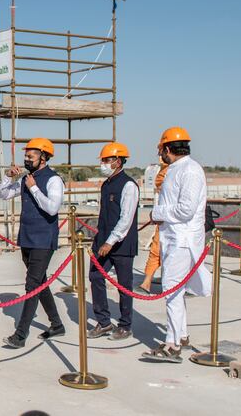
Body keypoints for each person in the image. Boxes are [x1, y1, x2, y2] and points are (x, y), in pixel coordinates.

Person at [142, 126, 211, 363]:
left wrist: (158, 212)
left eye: (162, 149)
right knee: (176, 291)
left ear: (168, 148)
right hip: (172, 238)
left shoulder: (190, 170)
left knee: (171, 289)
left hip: (182, 240)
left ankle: (171, 344)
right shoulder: (175, 169)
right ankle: (181, 334)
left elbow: (186, 209)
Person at [0, 138, 65, 348]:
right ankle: (56, 324)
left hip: (44, 239)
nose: (26, 159)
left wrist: (35, 189)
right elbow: (4, 194)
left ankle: (20, 334)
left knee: (32, 285)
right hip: (27, 237)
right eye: (26, 156)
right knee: (39, 282)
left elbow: (52, 209)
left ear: (43, 157)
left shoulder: (53, 180)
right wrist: (7, 178)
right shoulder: (27, 178)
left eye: (31, 156)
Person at [87, 142, 139, 341]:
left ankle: (125, 325)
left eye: (106, 160)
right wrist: (101, 240)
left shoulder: (128, 185)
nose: (103, 164)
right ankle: (104, 321)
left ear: (117, 161)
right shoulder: (106, 184)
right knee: (95, 277)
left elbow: (126, 219)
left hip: (121, 244)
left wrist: (111, 241)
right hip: (103, 241)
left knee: (124, 285)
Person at [136, 159, 169, 295]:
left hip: (170, 221)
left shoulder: (173, 172)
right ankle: (147, 282)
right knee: (156, 250)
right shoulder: (164, 172)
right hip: (162, 219)